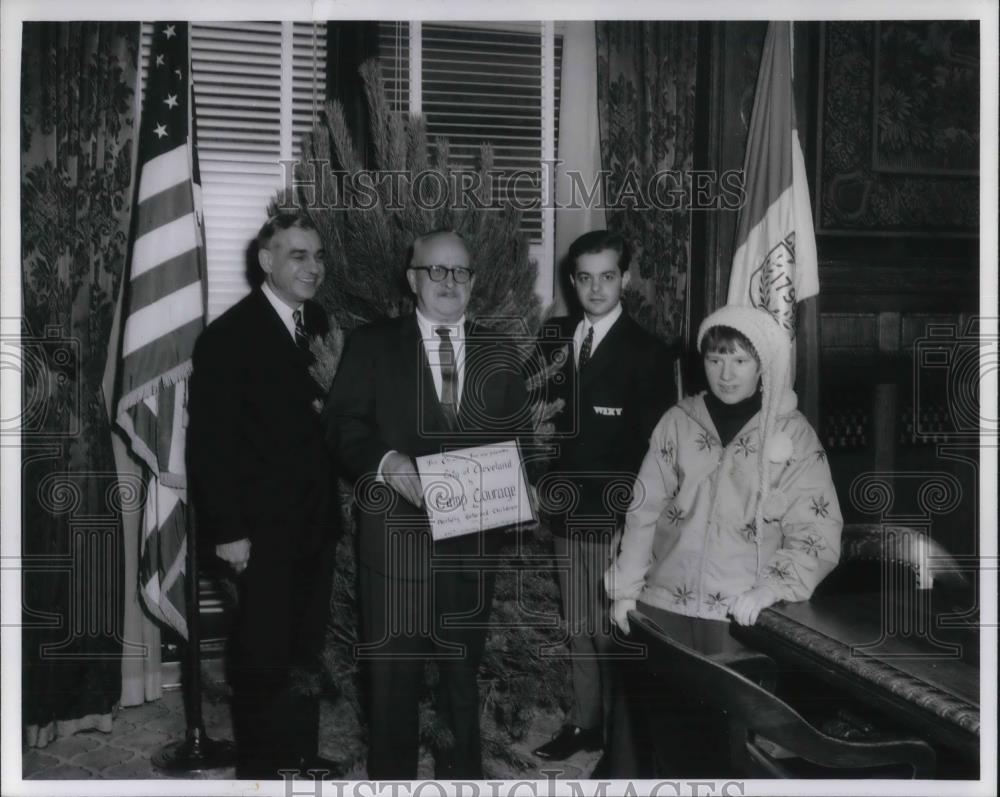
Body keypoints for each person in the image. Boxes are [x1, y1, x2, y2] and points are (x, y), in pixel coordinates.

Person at [325, 229, 533, 779]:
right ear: (412, 277)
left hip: (471, 547)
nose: (449, 282)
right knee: (392, 682)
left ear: (473, 282)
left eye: (460, 271)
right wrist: (387, 461)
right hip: (394, 545)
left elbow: (521, 441)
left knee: (460, 681)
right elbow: (340, 426)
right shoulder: (372, 344)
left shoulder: (499, 350)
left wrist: (524, 483)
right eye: (436, 271)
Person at [604, 304, 842, 775]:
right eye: (715, 360)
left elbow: (817, 529)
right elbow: (643, 510)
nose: (726, 374)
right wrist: (626, 590)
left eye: (740, 361)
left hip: (736, 614)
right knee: (650, 734)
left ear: (763, 365)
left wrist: (773, 587)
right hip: (662, 605)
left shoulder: (792, 435)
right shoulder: (678, 421)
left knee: (720, 747)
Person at [187, 212, 340, 780]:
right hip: (257, 531)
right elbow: (210, 446)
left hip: (315, 521)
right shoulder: (228, 336)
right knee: (260, 651)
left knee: (305, 646)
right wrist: (228, 532)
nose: (314, 266)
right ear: (267, 261)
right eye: (298, 255)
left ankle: (301, 749)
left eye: (318, 255)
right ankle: (260, 765)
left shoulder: (320, 323)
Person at [532, 229, 675, 764]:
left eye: (607, 277)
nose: (596, 289)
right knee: (578, 627)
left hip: (616, 517)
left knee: (612, 630)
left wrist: (633, 525)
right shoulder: (553, 338)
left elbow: (658, 454)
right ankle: (584, 723)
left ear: (626, 279)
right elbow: (532, 422)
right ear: (573, 281)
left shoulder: (648, 353)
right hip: (563, 510)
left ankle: (620, 743)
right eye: (585, 278)